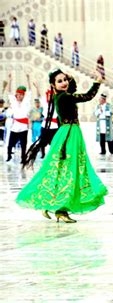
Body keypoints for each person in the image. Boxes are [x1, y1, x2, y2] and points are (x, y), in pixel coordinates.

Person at [18, 69, 107, 223]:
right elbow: (87, 96)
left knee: (61, 170)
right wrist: (97, 82)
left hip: (67, 133)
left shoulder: (60, 96)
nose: (64, 82)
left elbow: (72, 89)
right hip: (69, 135)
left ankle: (52, 204)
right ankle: (61, 209)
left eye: (65, 79)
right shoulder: (65, 97)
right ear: (53, 85)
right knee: (69, 170)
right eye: (59, 81)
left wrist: (68, 79)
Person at [5, 73, 34, 163]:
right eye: (17, 95)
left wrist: (28, 79)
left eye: (20, 95)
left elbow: (30, 90)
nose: (18, 96)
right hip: (15, 127)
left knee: (23, 145)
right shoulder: (13, 101)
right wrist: (9, 80)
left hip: (23, 127)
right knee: (10, 144)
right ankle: (9, 155)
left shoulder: (26, 101)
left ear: (23, 95)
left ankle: (23, 158)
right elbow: (9, 92)